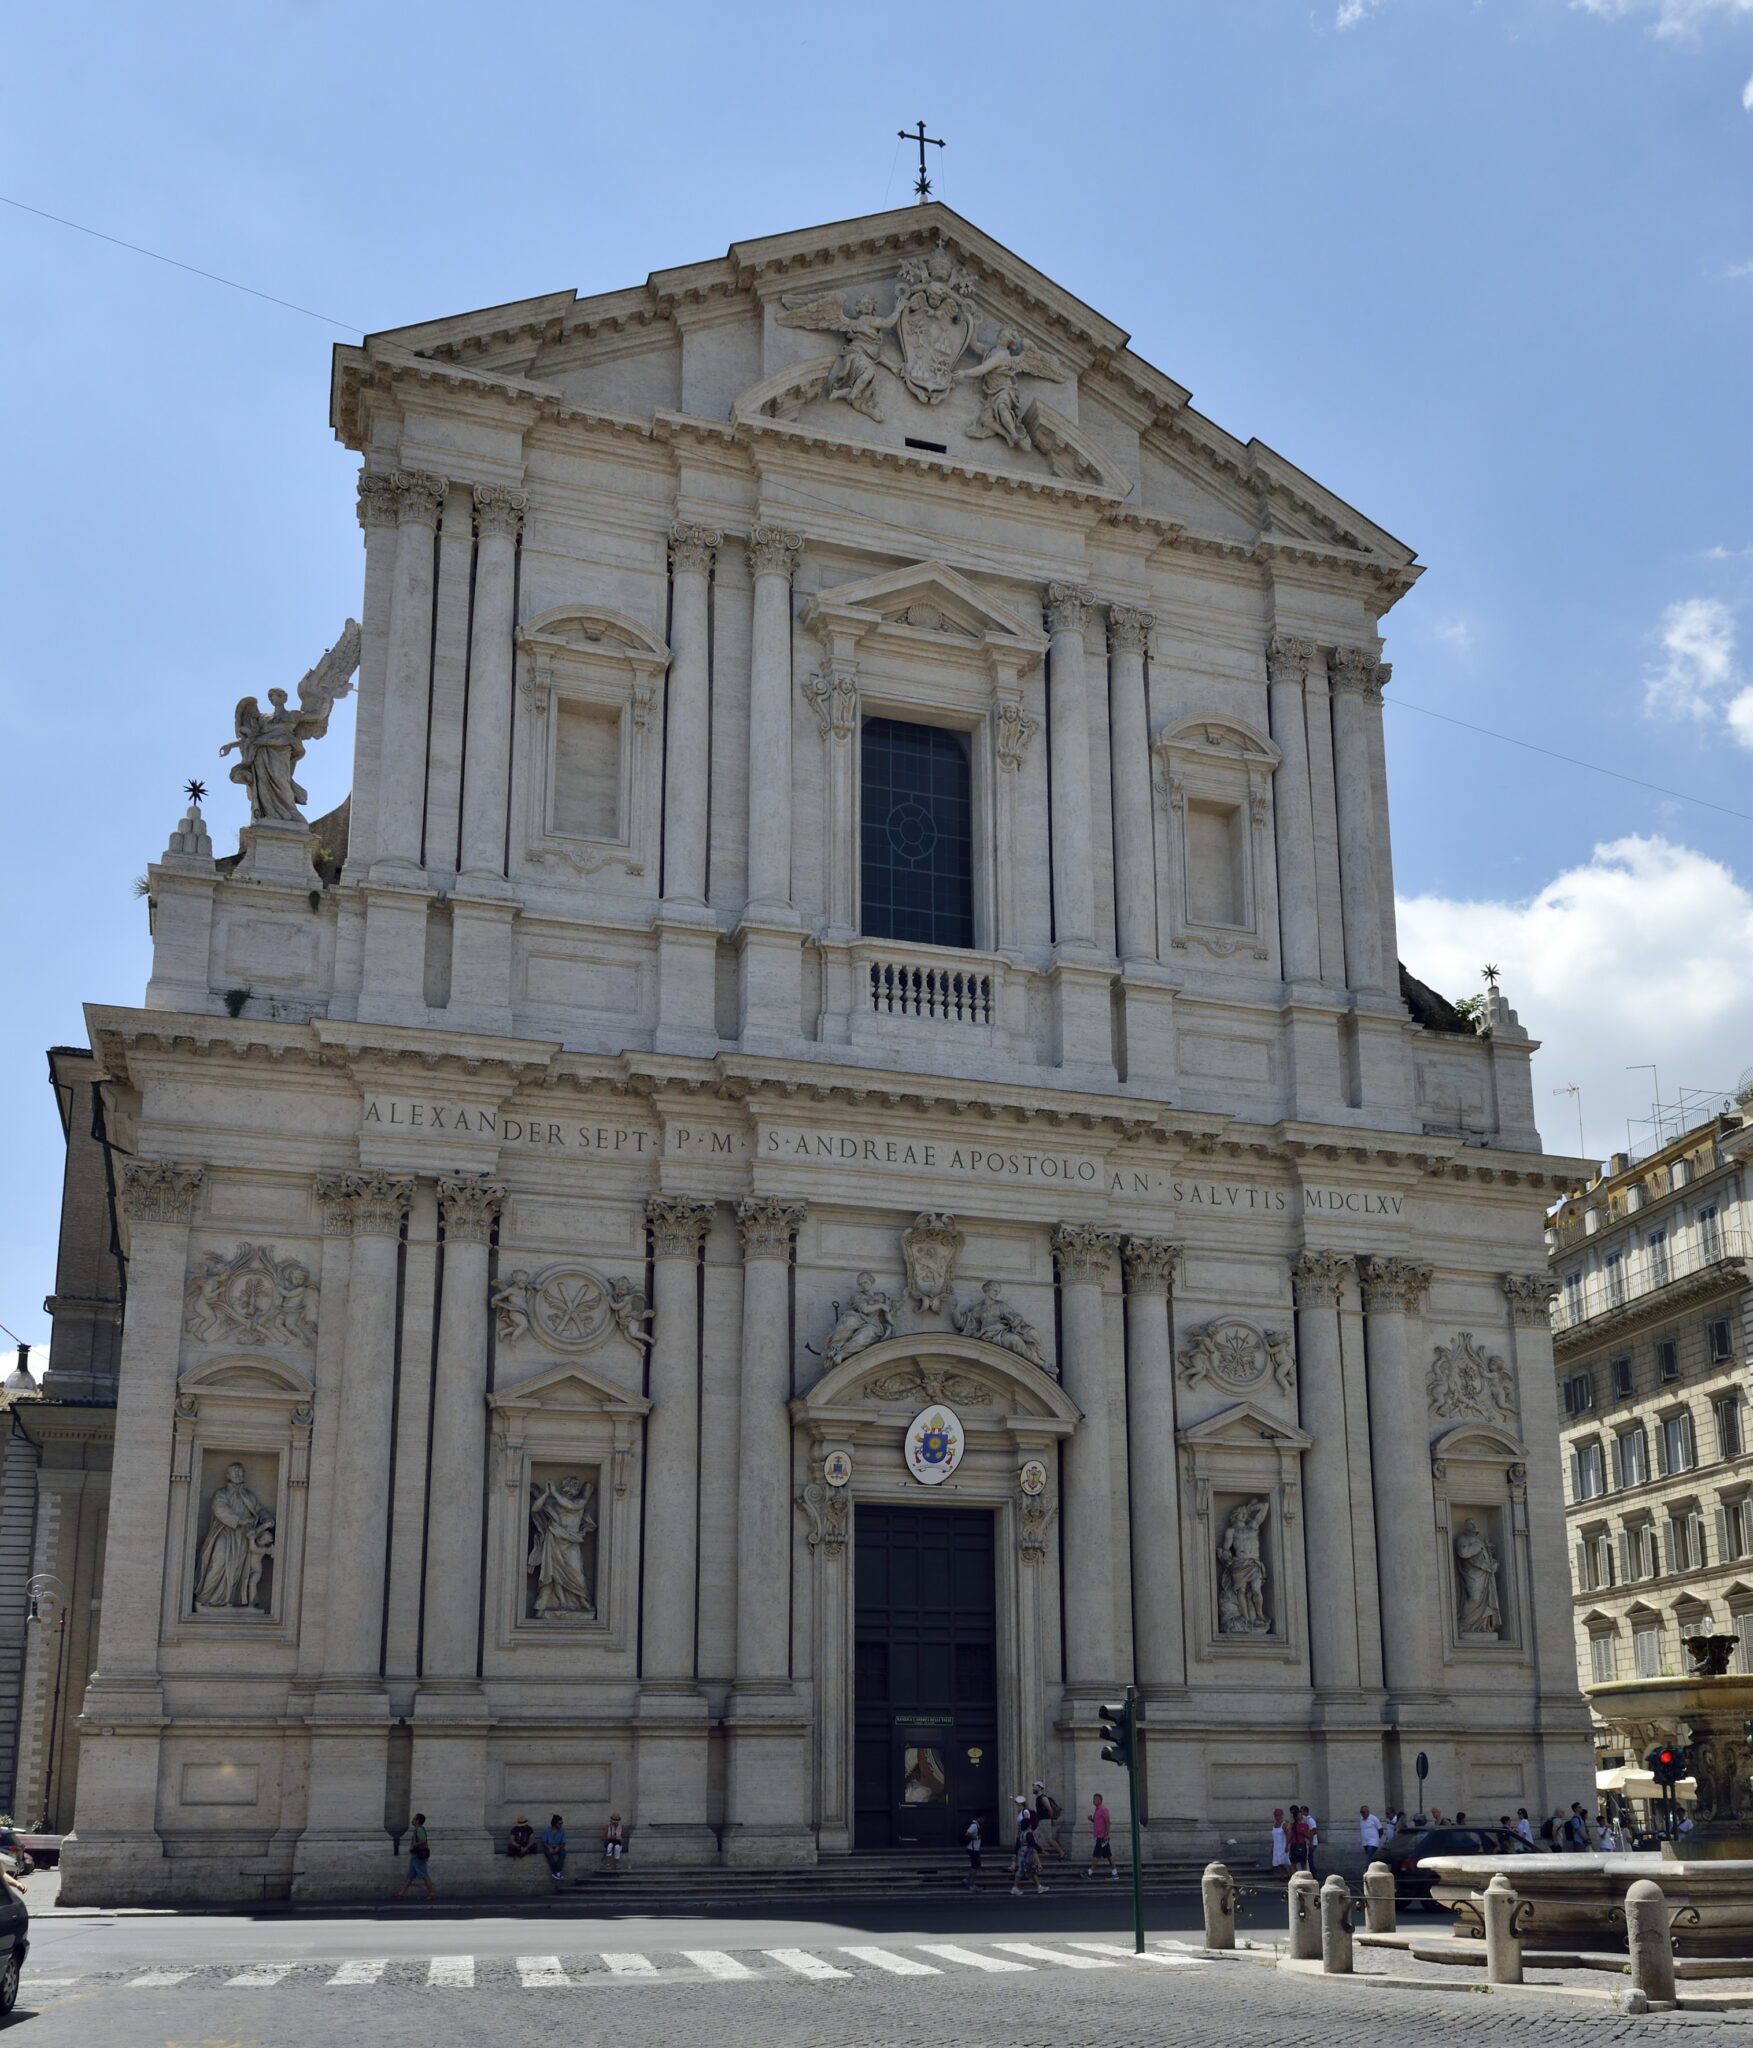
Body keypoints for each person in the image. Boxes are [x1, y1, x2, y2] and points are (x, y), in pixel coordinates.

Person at [399, 1813, 433, 1900]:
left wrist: (414, 1845)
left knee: (424, 1875)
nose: (412, 1820)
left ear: (417, 1821)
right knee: (410, 1876)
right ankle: (401, 1894)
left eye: (414, 1819)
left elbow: (423, 1840)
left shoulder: (419, 1830)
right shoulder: (417, 1830)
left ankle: (431, 1894)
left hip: (418, 1856)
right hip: (415, 1856)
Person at [1032, 1781, 1066, 1860]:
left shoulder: (1043, 1798)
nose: (1033, 1788)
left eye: (1034, 1787)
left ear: (1039, 1788)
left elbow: (1050, 1809)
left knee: (1049, 1839)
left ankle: (1062, 1852)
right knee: (1033, 1836)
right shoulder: (1038, 1798)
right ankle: (1037, 1853)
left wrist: (1050, 1820)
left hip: (1045, 1821)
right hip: (1040, 1821)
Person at [1087, 1793, 1116, 1880]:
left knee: (1096, 1854)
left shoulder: (1103, 1809)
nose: (1093, 1800)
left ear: (1100, 1800)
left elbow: (1108, 1822)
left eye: (1095, 1799)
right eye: (1093, 1799)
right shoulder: (1097, 1810)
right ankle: (1115, 1873)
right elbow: (1098, 1822)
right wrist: (1091, 1819)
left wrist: (1107, 1834)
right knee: (1108, 1855)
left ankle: (1089, 1872)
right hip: (1100, 1836)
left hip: (1102, 1837)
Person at [542, 1813, 568, 1884]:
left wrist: (558, 1847)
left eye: (562, 1823)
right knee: (549, 1855)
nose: (561, 1825)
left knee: (563, 1853)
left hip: (558, 1846)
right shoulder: (547, 1830)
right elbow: (544, 1842)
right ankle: (557, 1873)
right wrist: (549, 1847)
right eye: (560, 1823)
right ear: (555, 1823)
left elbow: (563, 1842)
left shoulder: (562, 1831)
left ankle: (556, 1872)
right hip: (549, 1846)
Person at [963, 1815, 982, 1891]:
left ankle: (967, 1879)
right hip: (973, 1849)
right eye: (983, 1818)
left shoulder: (976, 1825)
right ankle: (971, 1883)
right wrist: (976, 1837)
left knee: (975, 1866)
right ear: (979, 1818)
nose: (983, 1820)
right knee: (975, 1867)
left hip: (975, 1848)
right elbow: (967, 1834)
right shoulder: (974, 1825)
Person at [1270, 1808, 1289, 1875]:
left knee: (1283, 1862)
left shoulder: (1284, 1824)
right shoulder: (1274, 1824)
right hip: (1276, 1846)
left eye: (1278, 1815)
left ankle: (1290, 1874)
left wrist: (1287, 1846)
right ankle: (1283, 1876)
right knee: (1277, 1863)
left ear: (1281, 1816)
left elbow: (1287, 1835)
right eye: (1275, 1815)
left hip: (1282, 1846)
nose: (1276, 1817)